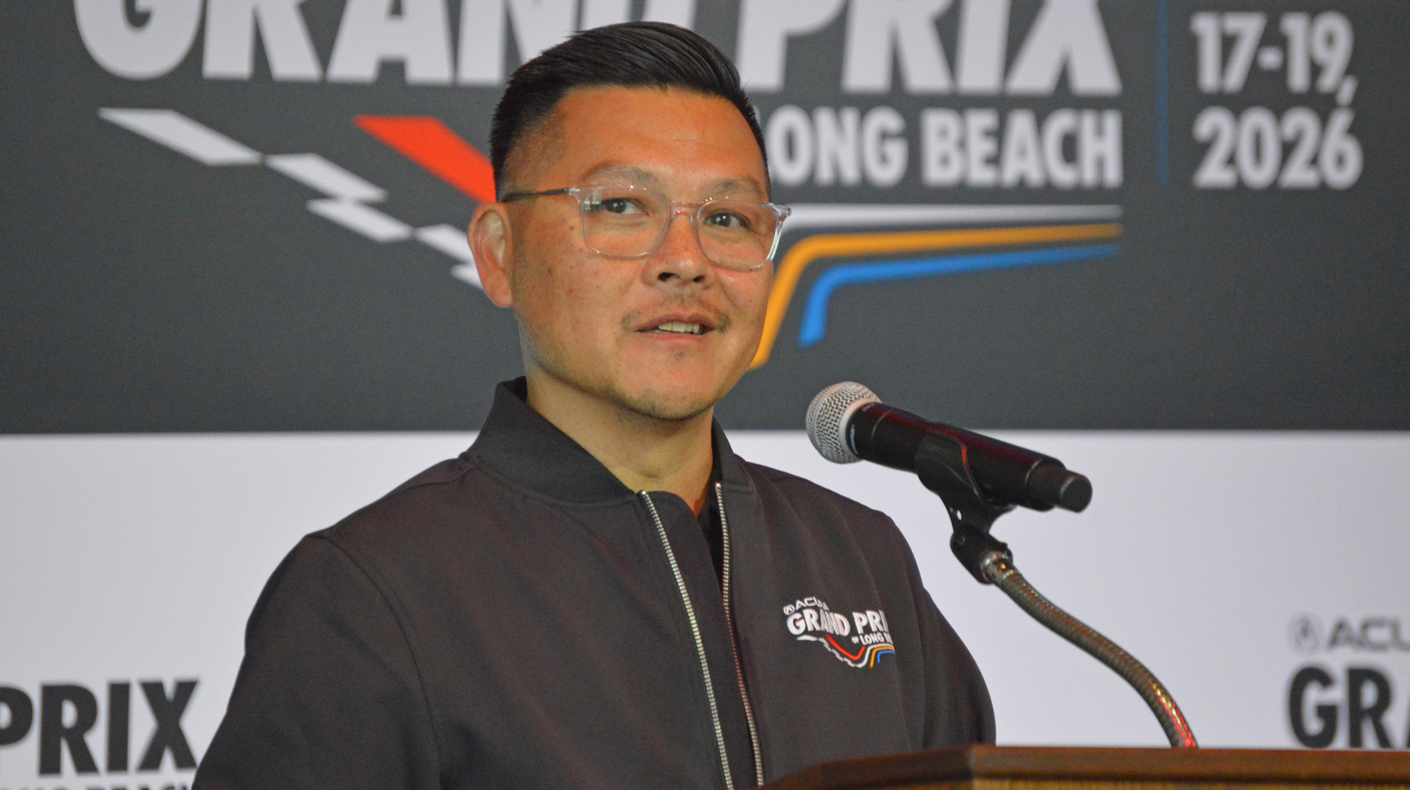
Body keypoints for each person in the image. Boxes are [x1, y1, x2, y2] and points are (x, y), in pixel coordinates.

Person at [194, 22, 992, 790]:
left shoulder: (860, 558)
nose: (685, 262)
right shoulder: (370, 592)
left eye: (726, 218)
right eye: (620, 207)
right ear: (499, 253)